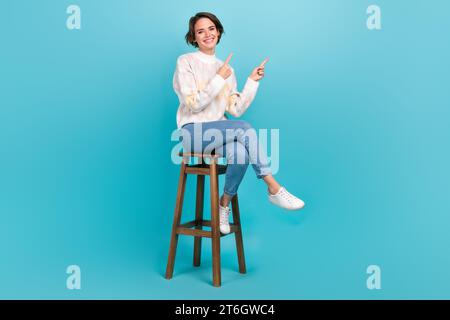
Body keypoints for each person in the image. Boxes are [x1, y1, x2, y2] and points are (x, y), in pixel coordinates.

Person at [173, 12, 305, 234]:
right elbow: (193, 103)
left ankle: (224, 204)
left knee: (241, 154)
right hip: (192, 133)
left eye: (211, 29)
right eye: (200, 31)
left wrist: (251, 82)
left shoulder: (227, 70)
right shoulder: (186, 61)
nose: (207, 34)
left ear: (218, 31)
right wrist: (218, 78)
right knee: (244, 128)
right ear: (194, 37)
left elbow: (234, 109)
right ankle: (273, 187)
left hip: (219, 134)